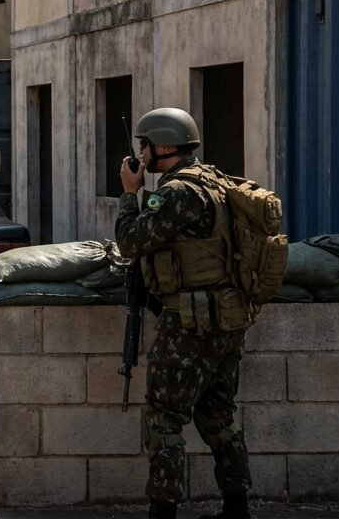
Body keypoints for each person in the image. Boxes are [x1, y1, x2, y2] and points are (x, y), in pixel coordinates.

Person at [117, 108, 256, 519]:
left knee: (164, 419)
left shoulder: (176, 193)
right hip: (226, 318)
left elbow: (131, 241)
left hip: (189, 324)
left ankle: (163, 513)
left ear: (162, 146)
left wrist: (129, 194)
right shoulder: (213, 180)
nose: (141, 154)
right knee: (219, 417)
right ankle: (237, 509)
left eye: (144, 145)